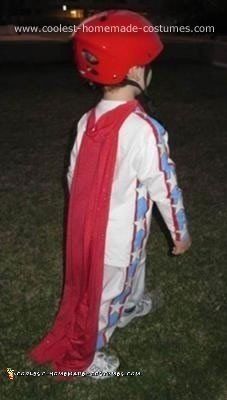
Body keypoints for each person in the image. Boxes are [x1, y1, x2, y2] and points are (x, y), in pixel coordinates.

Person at [27, 10, 191, 381]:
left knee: (130, 272)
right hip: (119, 239)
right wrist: (181, 234)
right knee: (105, 296)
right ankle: (88, 355)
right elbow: (165, 187)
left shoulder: (87, 121)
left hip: (90, 230)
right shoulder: (145, 130)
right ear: (136, 71)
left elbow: (73, 175)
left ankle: (131, 303)